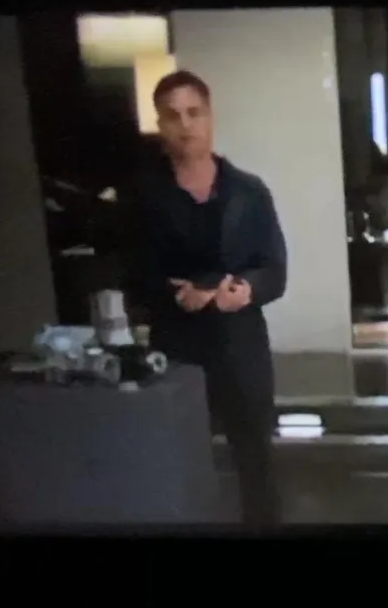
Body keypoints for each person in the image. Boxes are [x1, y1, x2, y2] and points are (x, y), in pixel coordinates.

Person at [121, 70, 287, 526]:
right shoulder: (142, 197)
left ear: (210, 116)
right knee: (179, 462)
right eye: (173, 115)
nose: (185, 125)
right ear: (160, 122)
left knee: (256, 461)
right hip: (177, 347)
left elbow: (275, 270)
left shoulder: (249, 192)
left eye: (194, 113)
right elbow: (133, 274)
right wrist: (175, 295)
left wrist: (246, 290)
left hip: (241, 344)